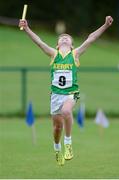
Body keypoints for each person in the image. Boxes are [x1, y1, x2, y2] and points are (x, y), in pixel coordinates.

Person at [19, 16, 113, 166]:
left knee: (67, 112)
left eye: (67, 38)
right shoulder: (53, 54)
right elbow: (39, 42)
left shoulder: (75, 54)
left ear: (72, 45)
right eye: (62, 38)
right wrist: (27, 29)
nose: (64, 39)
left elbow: (91, 39)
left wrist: (105, 25)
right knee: (57, 129)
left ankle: (68, 144)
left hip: (71, 93)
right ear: (56, 45)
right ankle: (57, 149)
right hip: (56, 95)